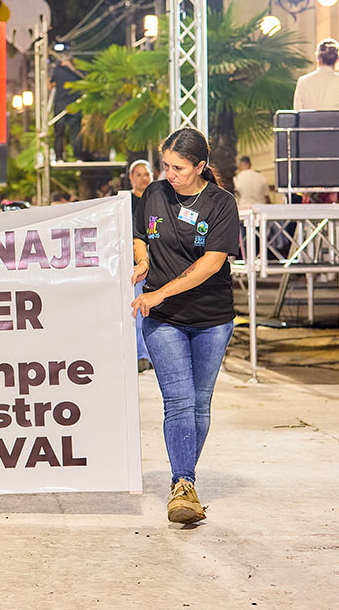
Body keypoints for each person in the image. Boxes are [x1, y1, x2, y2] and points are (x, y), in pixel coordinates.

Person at [131, 128, 239, 525]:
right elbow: (141, 235)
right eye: (166, 165)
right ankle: (183, 482)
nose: (169, 173)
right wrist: (143, 262)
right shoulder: (155, 193)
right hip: (164, 321)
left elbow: (211, 264)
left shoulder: (221, 203)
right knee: (178, 401)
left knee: (199, 402)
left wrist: (160, 292)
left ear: (200, 167)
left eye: (178, 167)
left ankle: (184, 480)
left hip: (212, 319)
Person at [128, 159, 155, 373]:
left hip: (159, 266)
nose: (143, 178)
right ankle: (140, 355)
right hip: (134, 266)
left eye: (147, 174)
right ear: (131, 178)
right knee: (138, 312)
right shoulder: (124, 202)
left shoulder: (158, 200)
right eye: (139, 174)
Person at [293, 38, 339, 111]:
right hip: (336, 122)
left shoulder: (303, 81)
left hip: (309, 122)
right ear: (338, 59)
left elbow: (297, 112)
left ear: (318, 58)